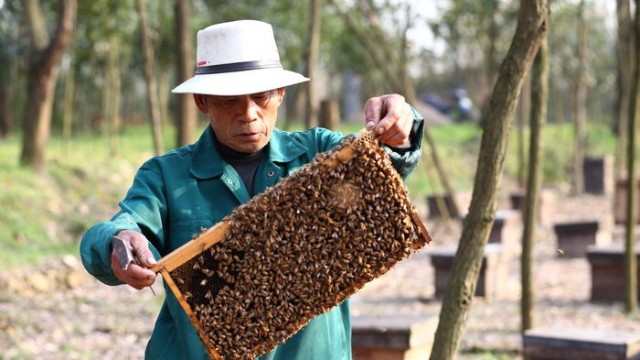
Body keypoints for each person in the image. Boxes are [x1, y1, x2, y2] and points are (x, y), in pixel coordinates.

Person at [80, 19, 424, 360]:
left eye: (260, 97)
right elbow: (119, 229)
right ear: (203, 101)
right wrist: (117, 241)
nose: (248, 114)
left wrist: (400, 125)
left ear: (280, 94)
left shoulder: (321, 152)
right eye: (230, 100)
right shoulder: (167, 176)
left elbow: (385, 166)